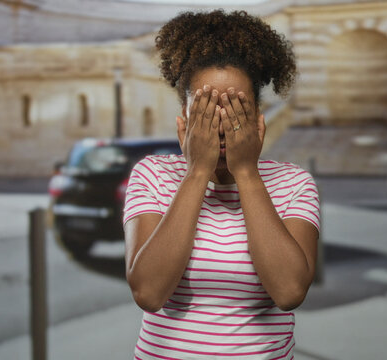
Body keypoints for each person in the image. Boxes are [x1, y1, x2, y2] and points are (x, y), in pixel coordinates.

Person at [123, 10, 320, 359]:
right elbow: (149, 293)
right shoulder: (152, 174)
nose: (221, 124)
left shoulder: (293, 183)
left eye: (234, 108)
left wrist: (246, 173)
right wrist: (196, 172)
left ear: (258, 120)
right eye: (206, 109)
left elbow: (289, 291)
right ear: (184, 122)